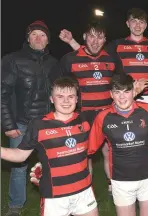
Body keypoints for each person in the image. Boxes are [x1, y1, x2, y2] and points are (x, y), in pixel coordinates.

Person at [1, 77, 99, 216]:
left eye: (71, 96)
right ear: (51, 99)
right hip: (55, 195)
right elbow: (20, 155)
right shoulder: (39, 125)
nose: (66, 101)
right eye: (60, 96)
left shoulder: (85, 120)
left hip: (83, 190)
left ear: (77, 99)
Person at [88, 73, 148, 216]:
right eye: (117, 92)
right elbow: (89, 148)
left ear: (133, 91)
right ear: (111, 94)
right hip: (121, 180)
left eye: (126, 92)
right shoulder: (103, 118)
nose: (122, 97)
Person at [1, 20, 59, 216]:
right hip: (22, 124)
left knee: (52, 164)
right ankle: (16, 205)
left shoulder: (53, 63)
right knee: (19, 166)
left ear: (47, 40)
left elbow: (59, 93)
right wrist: (8, 125)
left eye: (42, 35)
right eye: (34, 34)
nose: (38, 38)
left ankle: (57, 201)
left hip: (46, 124)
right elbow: (3, 94)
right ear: (27, 38)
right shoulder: (12, 60)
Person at [52, 21, 118, 196]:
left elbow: (120, 85)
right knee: (83, 154)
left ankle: (113, 185)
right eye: (91, 36)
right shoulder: (70, 59)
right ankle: (85, 189)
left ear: (105, 39)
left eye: (100, 37)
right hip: (82, 115)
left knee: (109, 151)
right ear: (84, 38)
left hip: (106, 114)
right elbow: (59, 86)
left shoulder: (111, 59)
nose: (95, 41)